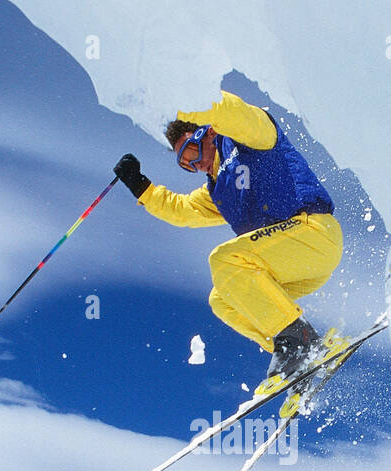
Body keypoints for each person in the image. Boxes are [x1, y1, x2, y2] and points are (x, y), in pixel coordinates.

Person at [113, 91, 345, 394]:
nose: (195, 166)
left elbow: (231, 113)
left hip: (314, 232)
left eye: (193, 153)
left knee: (224, 260)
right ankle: (296, 353)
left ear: (207, 131)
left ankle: (299, 341)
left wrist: (181, 92)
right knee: (221, 300)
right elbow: (182, 210)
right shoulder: (218, 189)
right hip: (294, 262)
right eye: (186, 165)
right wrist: (139, 186)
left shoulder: (250, 138)